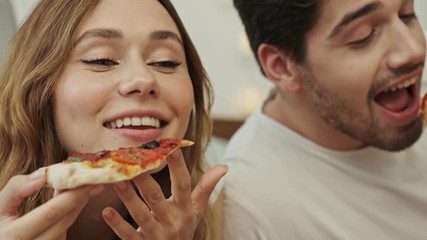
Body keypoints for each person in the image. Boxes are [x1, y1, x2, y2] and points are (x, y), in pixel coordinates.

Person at [0, 0, 228, 239]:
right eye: (101, 60)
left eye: (165, 62)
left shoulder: (219, 212)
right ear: (38, 88)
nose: (143, 79)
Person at [222, 0, 427, 239]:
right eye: (364, 36)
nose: (414, 50)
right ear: (282, 67)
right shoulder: (249, 209)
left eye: (407, 14)